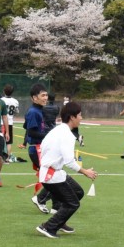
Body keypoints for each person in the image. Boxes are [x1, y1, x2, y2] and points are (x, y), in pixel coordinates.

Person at [36, 101, 97, 239]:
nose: (81, 118)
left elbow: (43, 147)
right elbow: (70, 162)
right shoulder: (67, 135)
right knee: (73, 203)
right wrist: (86, 172)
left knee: (78, 192)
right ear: (72, 117)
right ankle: (48, 227)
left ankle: (60, 221)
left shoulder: (57, 130)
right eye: (80, 115)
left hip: (52, 172)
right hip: (52, 175)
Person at [24, 83, 54, 214]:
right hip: (37, 149)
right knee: (54, 176)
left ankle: (55, 205)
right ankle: (41, 199)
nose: (45, 98)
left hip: (41, 148)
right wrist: (50, 135)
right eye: (42, 95)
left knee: (54, 175)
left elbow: (26, 127)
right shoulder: (33, 112)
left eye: (46, 95)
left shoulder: (39, 110)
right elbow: (31, 132)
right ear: (34, 98)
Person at [1, 84, 20, 162]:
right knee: (9, 142)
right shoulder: (15, 101)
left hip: (1, 123)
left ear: (4, 91)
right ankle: (7, 158)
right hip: (10, 123)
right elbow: (17, 112)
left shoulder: (1, 100)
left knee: (0, 140)